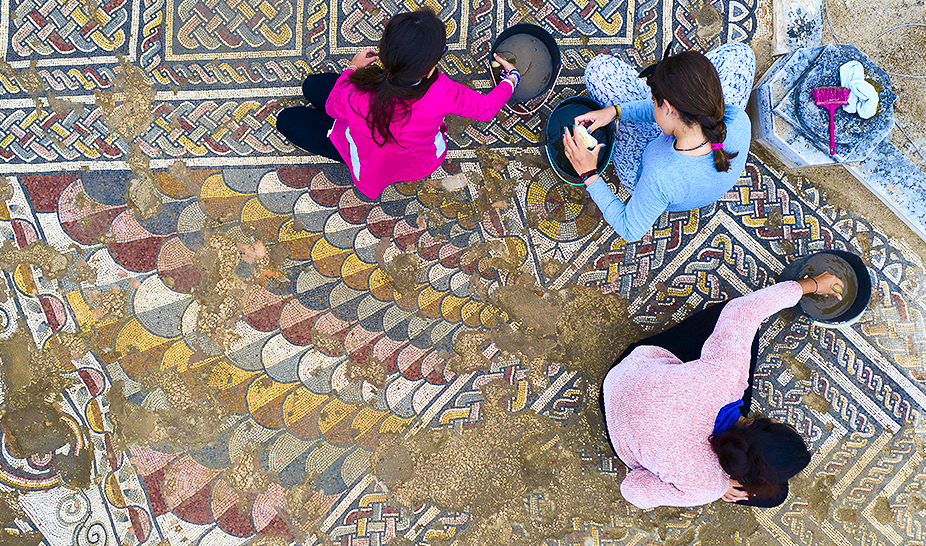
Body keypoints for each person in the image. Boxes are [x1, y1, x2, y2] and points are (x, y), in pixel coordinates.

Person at [600, 272, 844, 509]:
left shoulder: (725, 377)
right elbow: (632, 488)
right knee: (777, 495)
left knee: (740, 326)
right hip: (620, 435)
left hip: (625, 376)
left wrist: (810, 285)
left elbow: (743, 311)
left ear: (761, 423)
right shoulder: (706, 487)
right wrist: (716, 486)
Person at [275, 8, 520, 200]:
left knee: (294, 109)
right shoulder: (442, 91)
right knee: (307, 95)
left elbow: (332, 106)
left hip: (369, 160)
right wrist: (512, 78)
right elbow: (487, 109)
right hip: (418, 162)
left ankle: (341, 146)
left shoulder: (357, 94)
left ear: (384, 52)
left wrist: (352, 68)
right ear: (430, 67)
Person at [563, 43, 756, 242]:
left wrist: (589, 174)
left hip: (652, 179)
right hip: (691, 175)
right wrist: (615, 112)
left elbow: (630, 229)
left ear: (670, 109)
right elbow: (669, 113)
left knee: (599, 71)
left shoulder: (658, 174)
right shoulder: (737, 120)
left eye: (655, 101)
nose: (652, 104)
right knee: (741, 54)